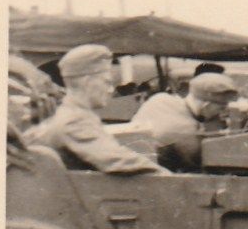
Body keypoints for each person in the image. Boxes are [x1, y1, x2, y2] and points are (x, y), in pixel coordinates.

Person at [24, 44, 166, 174]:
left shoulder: (70, 114)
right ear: (87, 82)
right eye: (107, 82)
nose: (110, 89)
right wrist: (169, 176)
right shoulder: (75, 121)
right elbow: (119, 160)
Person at [131, 72, 239, 172]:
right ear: (206, 106)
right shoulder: (189, 133)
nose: (223, 113)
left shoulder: (159, 98)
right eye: (221, 108)